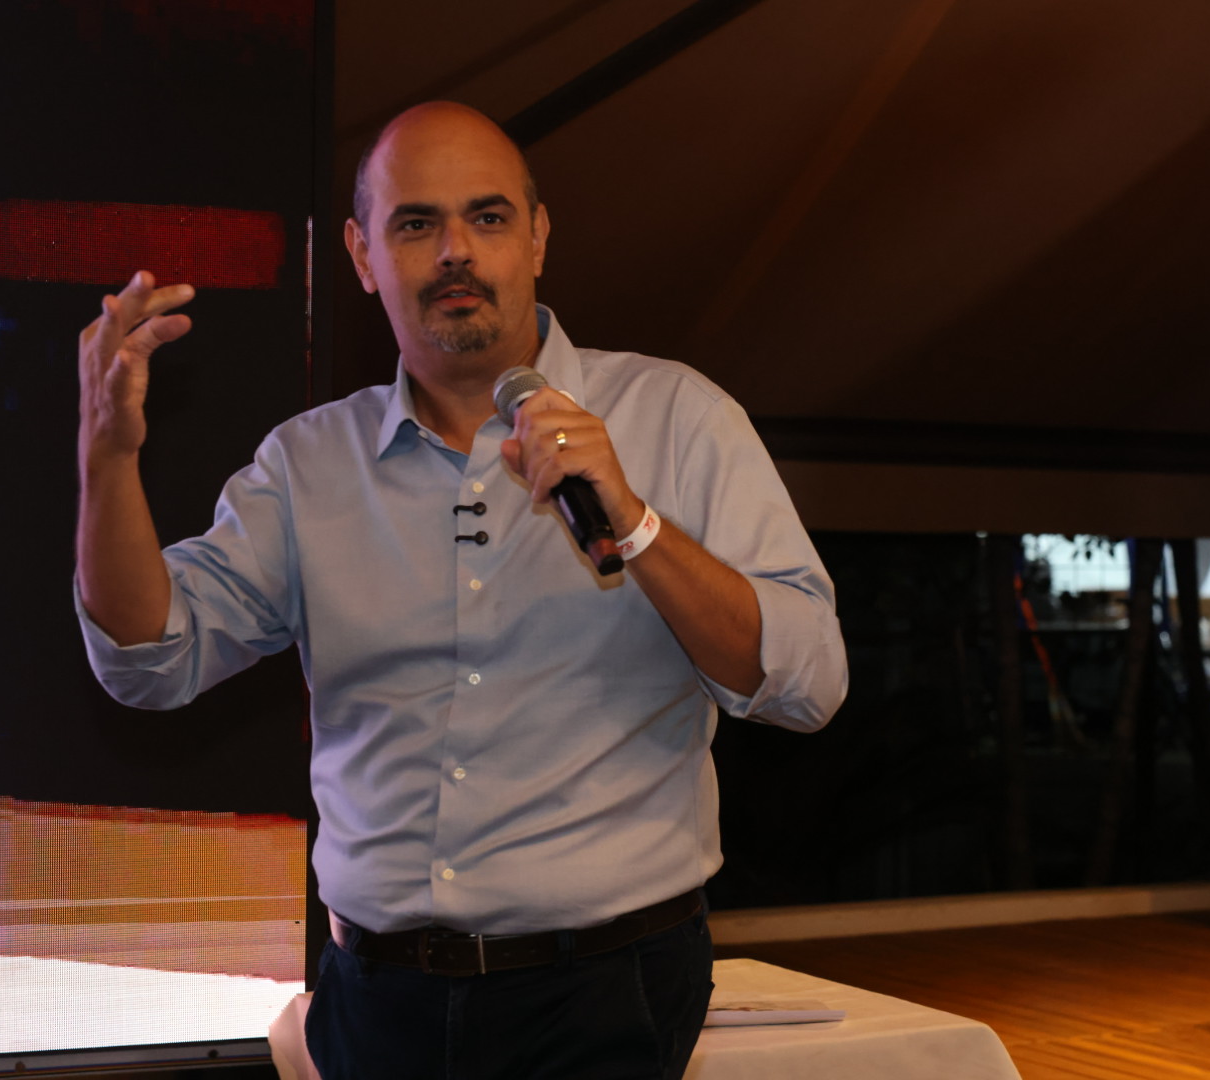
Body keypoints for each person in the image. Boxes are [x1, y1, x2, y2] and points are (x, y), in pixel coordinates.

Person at [73, 101, 848, 1079]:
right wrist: (107, 458)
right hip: (376, 1003)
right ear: (362, 255)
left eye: (487, 217)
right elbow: (150, 660)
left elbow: (808, 682)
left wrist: (637, 522)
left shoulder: (678, 417)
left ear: (539, 238)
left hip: (606, 994)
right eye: (415, 223)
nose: (455, 252)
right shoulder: (308, 464)